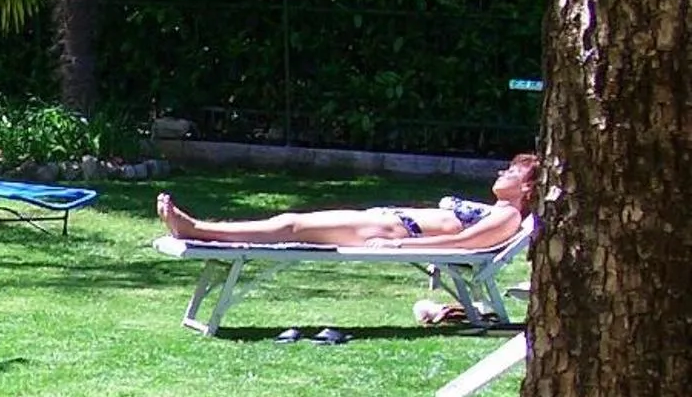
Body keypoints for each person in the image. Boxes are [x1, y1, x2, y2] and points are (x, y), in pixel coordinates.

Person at [158, 153, 537, 251]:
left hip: (392, 230)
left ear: (527, 189)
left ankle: (197, 229)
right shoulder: (498, 210)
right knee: (291, 223)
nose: (501, 172)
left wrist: (400, 246)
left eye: (512, 172)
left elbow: (464, 242)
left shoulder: (507, 216)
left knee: (291, 225)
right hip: (386, 222)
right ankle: (201, 229)